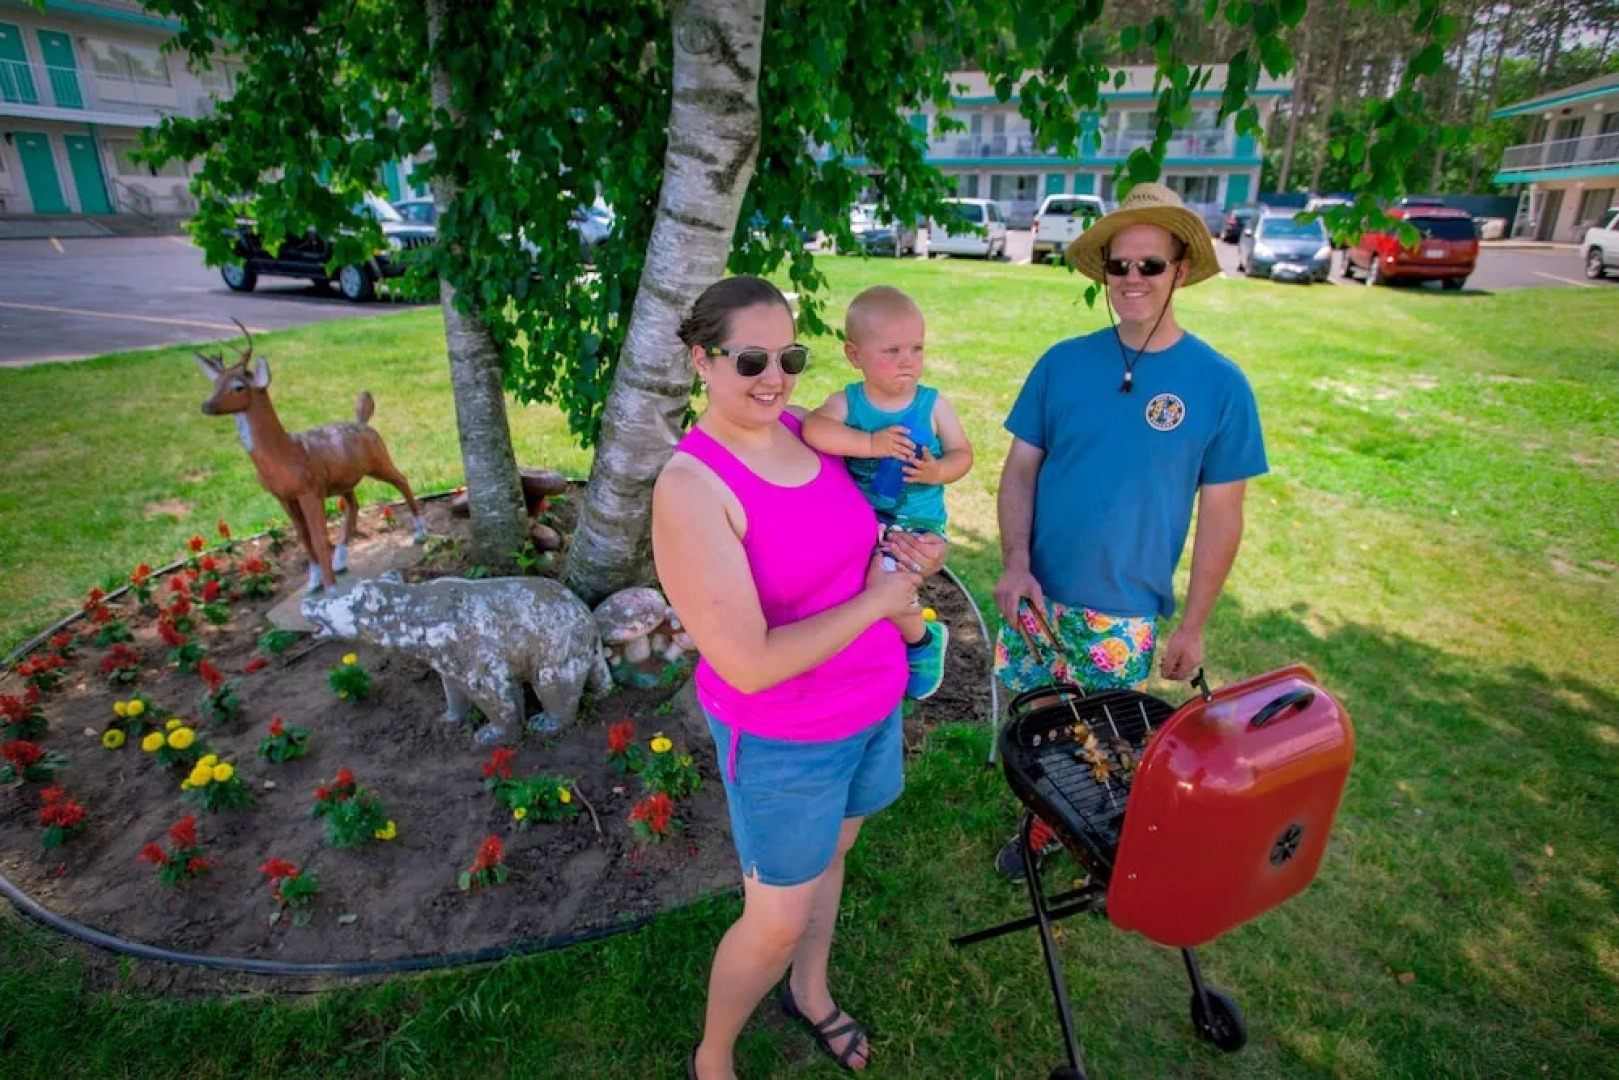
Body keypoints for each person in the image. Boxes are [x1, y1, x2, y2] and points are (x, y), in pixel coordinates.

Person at [652, 276, 947, 1079]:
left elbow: (846, 555)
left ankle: (809, 994)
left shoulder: (801, 431)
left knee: (834, 857)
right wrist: (881, 600)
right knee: (774, 918)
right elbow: (745, 663)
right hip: (786, 736)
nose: (773, 375)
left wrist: (901, 561)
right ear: (700, 361)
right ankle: (712, 1058)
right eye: (749, 358)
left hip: (870, 704)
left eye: (788, 354)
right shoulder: (690, 488)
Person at [991, 182, 1268, 880]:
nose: (1132, 279)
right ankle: (1039, 824)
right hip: (1037, 594)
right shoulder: (1061, 362)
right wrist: (1014, 562)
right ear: (1103, 272)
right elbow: (1020, 469)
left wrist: (1194, 625)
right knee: (1034, 725)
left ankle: (1068, 836)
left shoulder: (1219, 384)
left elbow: (1221, 517)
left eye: (1150, 265)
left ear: (1179, 270)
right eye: (1119, 265)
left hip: (1123, 608)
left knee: (1096, 742)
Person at [800, 285, 974, 700]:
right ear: (854, 356)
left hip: (914, 523)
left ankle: (924, 641)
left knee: (885, 581)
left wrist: (936, 471)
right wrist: (871, 444)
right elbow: (814, 428)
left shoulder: (931, 404)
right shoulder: (850, 402)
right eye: (892, 351)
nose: (908, 362)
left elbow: (963, 454)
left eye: (917, 348)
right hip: (860, 520)